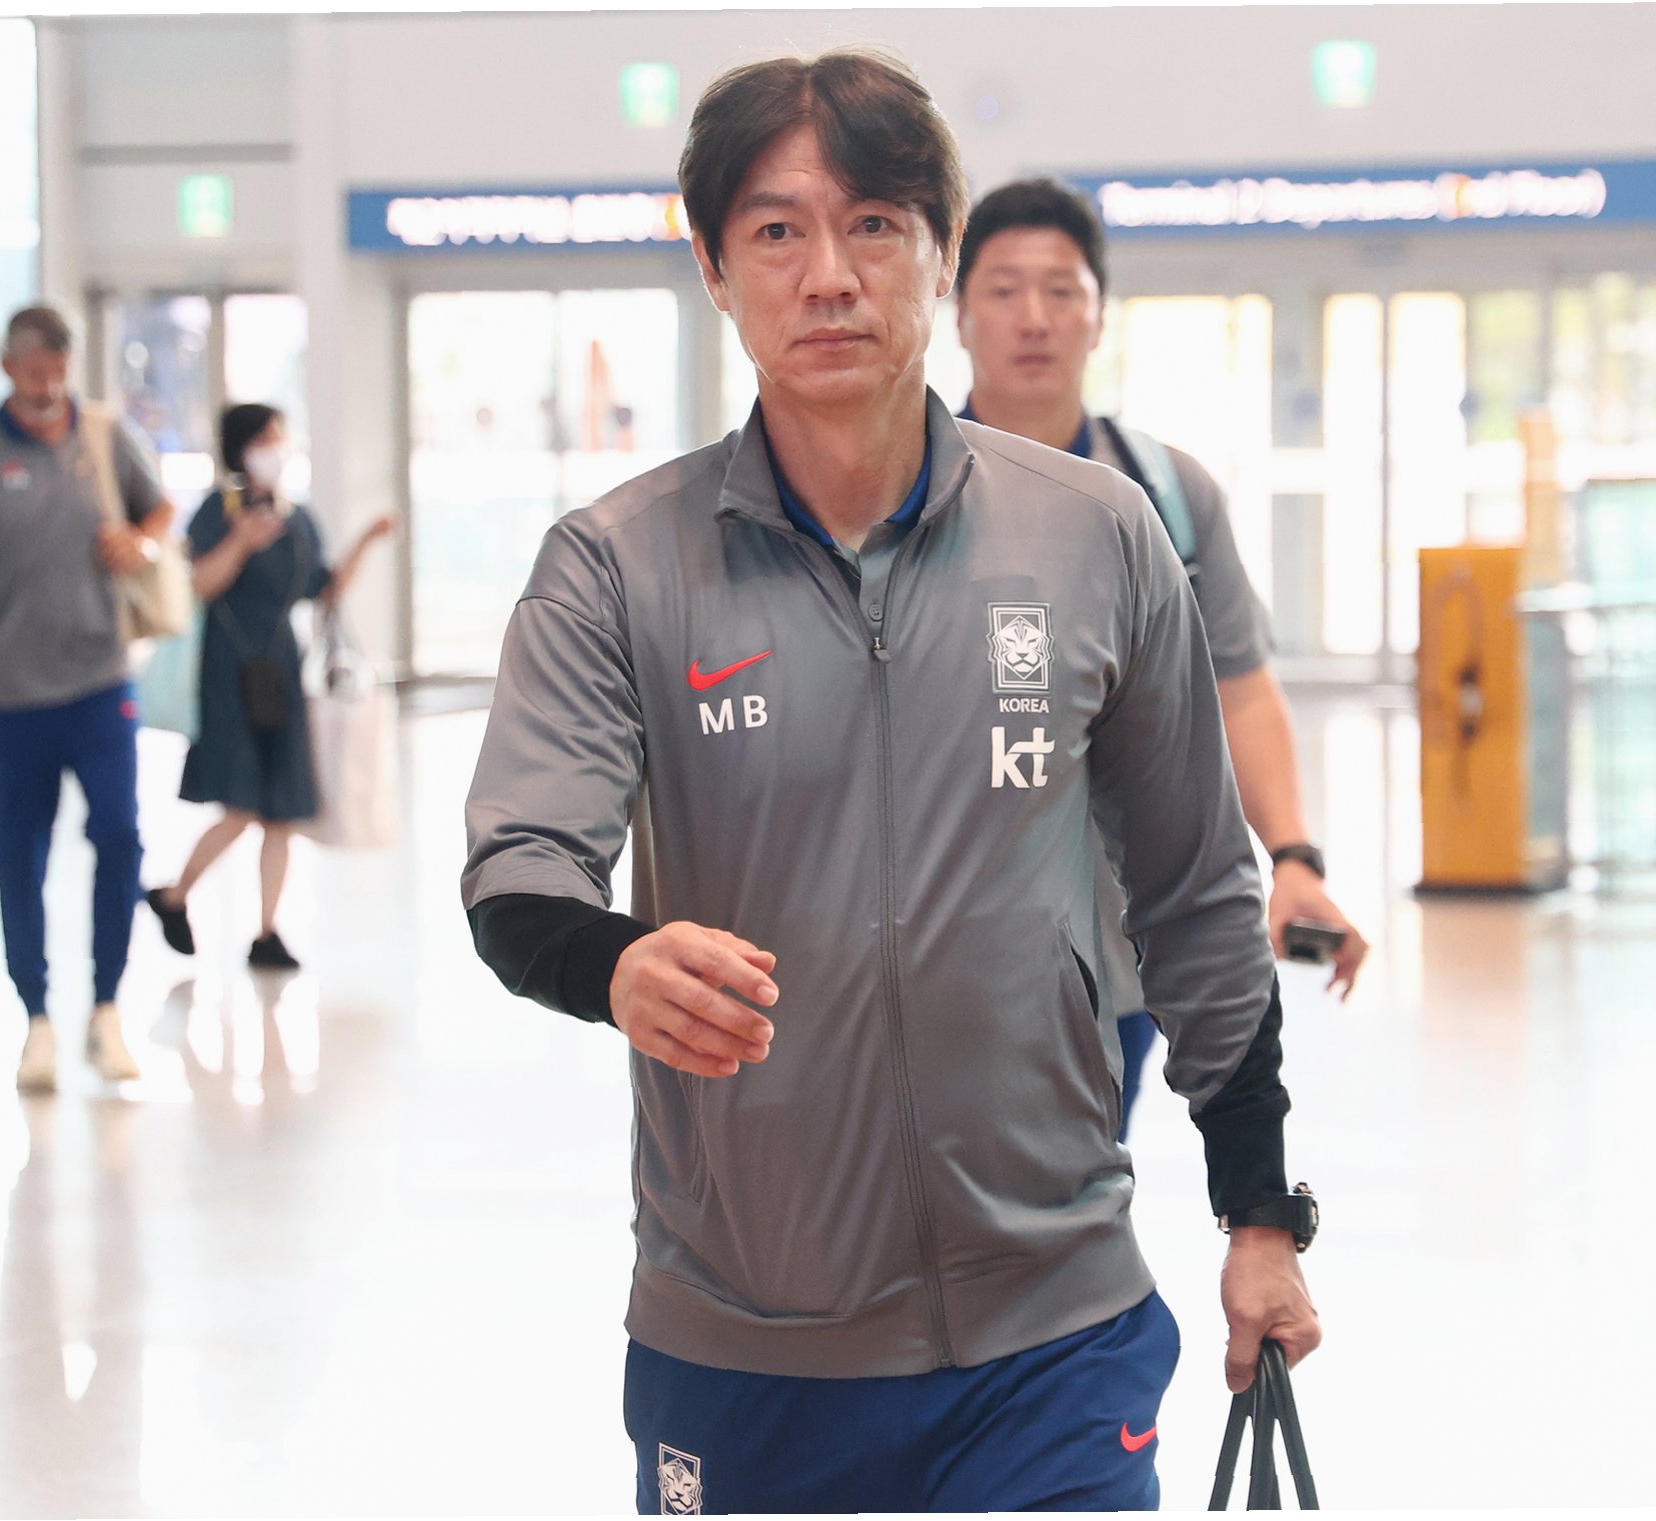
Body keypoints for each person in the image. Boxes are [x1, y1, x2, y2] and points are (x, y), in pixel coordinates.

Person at [462, 50, 1320, 1515]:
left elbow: (1194, 894)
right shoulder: (617, 566)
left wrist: (1258, 1213)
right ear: (714, 268)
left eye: (873, 224)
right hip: (744, 1344)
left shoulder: (1099, 537)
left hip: (1055, 1327)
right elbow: (518, 868)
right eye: (775, 231)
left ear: (939, 251)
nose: (829, 276)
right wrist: (615, 963)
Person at [954, 177, 1371, 1137]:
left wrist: (1294, 858)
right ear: (960, 313)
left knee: (1081, 1166)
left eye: (1062, 291)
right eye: (1004, 290)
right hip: (941, 938)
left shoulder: (1163, 497)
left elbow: (1240, 688)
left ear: (1100, 316)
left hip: (1118, 940)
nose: (1034, 317)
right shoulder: (898, 485)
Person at [0, 304, 177, 1092]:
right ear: (8, 368)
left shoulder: (101, 438)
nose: (48, 387)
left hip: (100, 682)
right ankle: (36, 1017)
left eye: (58, 372)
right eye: (35, 373)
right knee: (18, 858)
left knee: (121, 835)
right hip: (8, 696)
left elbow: (158, 507)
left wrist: (141, 540)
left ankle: (106, 1008)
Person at [142, 404, 394, 971]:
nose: (277, 449)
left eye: (280, 438)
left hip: (281, 671)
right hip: (229, 673)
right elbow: (199, 585)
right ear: (241, 448)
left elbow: (324, 588)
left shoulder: (296, 517)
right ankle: (175, 895)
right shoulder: (219, 512)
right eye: (266, 439)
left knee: (281, 809)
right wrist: (241, 542)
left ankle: (266, 931)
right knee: (240, 805)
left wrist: (367, 540)